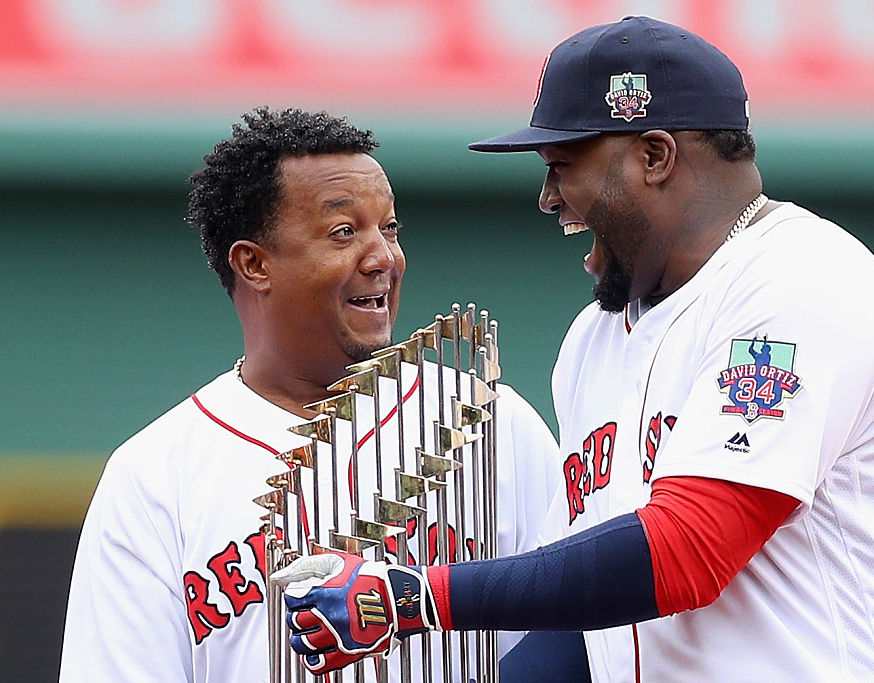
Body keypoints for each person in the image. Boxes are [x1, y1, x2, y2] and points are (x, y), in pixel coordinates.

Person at [272, 16, 874, 682]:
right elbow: (582, 630)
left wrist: (415, 595)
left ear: (654, 156)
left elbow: (687, 551)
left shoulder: (801, 279)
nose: (548, 197)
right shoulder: (593, 342)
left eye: (563, 164)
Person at [58, 107, 565, 682]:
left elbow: (576, 635)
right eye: (344, 232)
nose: (383, 258)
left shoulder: (487, 421)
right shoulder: (154, 474)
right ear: (254, 264)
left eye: (390, 229)